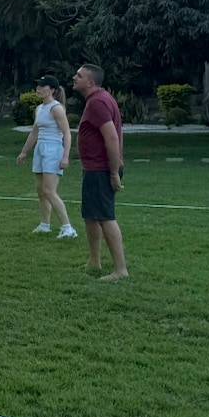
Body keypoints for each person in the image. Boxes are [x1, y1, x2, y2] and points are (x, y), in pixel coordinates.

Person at [72, 63, 129, 281]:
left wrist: (114, 172)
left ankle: (120, 270)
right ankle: (94, 261)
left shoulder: (98, 102)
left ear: (91, 82)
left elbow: (112, 137)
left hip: (101, 170)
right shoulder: (98, 99)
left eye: (79, 75)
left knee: (105, 217)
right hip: (94, 169)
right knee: (90, 216)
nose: (74, 77)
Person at [16, 75, 77, 239]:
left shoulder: (56, 108)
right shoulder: (39, 108)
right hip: (40, 150)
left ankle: (68, 228)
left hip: (53, 150)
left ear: (52, 90)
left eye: (43, 86)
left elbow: (67, 133)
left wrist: (65, 157)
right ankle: (45, 225)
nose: (39, 89)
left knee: (49, 191)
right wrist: (24, 152)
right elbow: (35, 132)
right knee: (41, 191)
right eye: (38, 86)